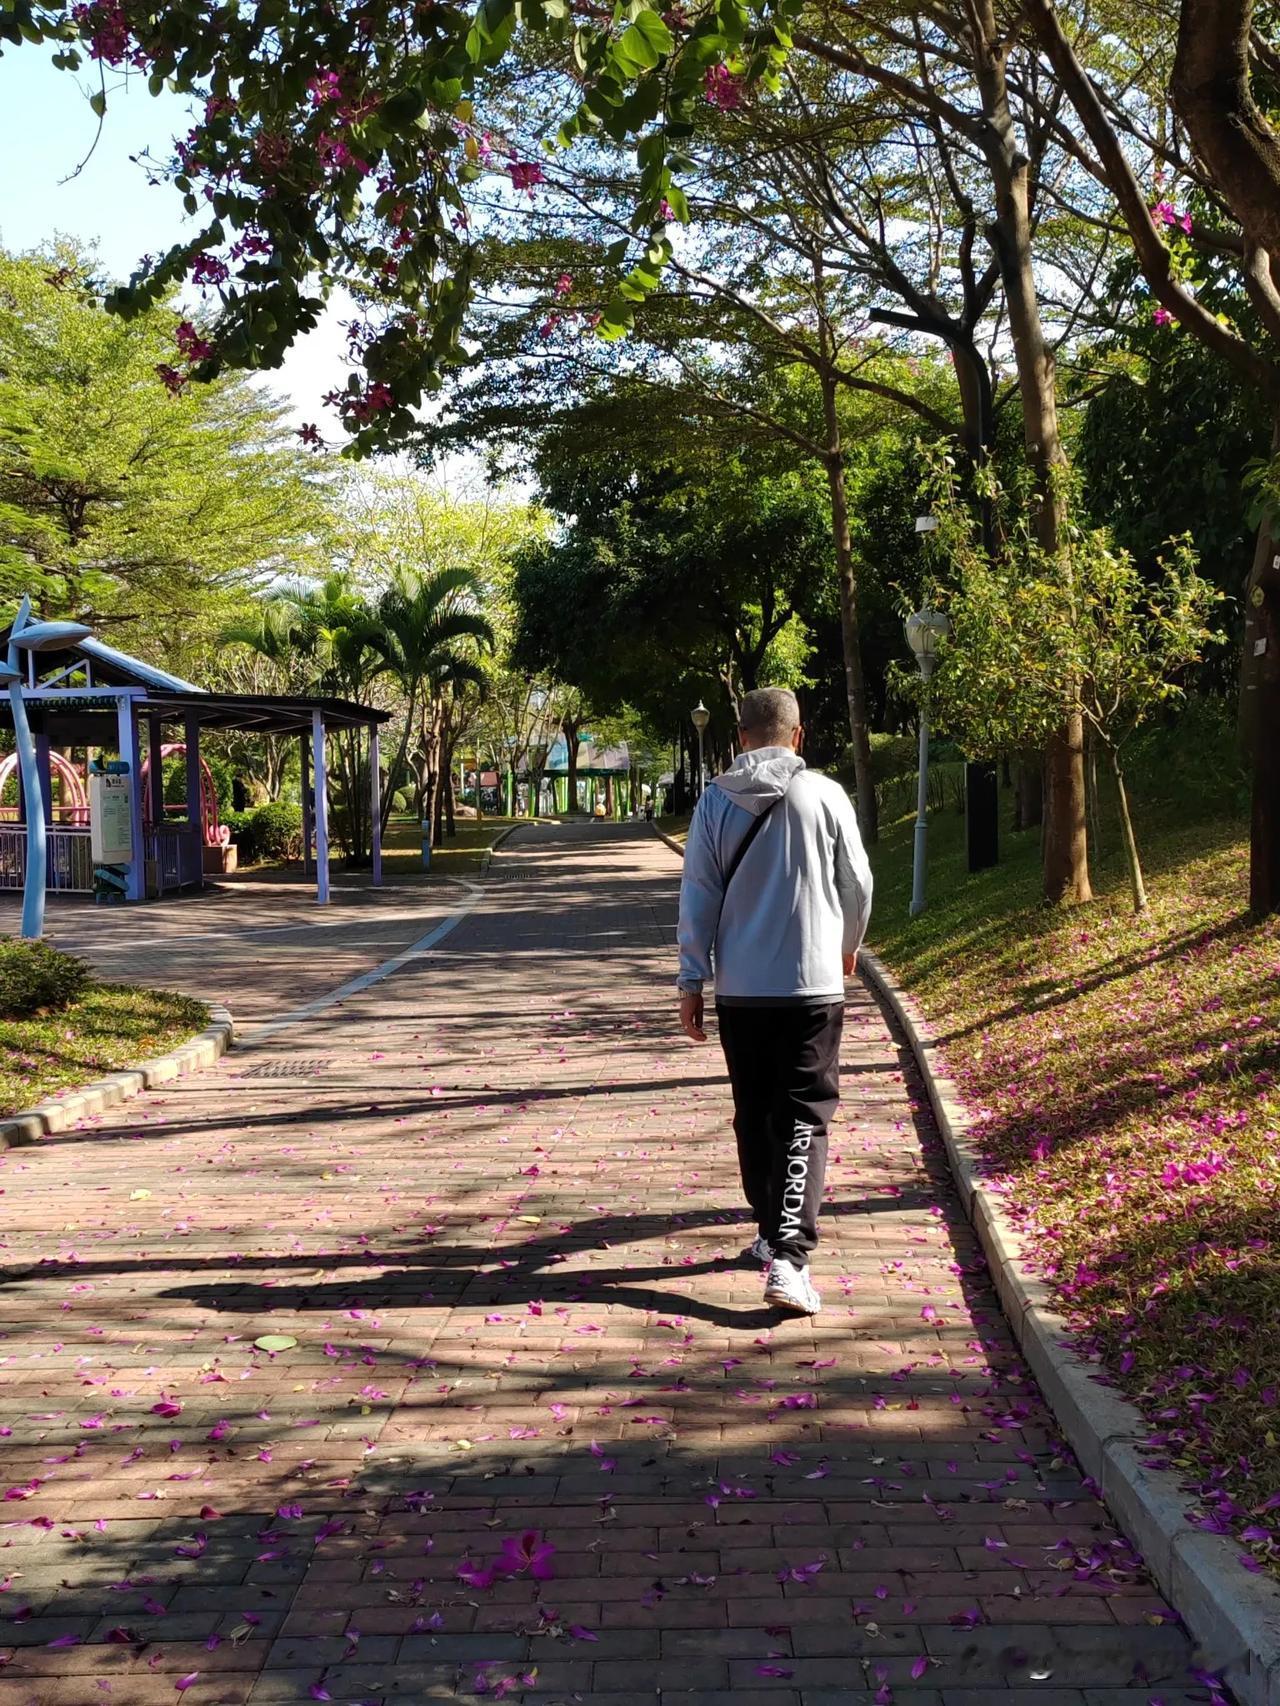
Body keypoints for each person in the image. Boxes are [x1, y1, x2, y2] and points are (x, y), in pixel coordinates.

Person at [675, 687, 872, 1315]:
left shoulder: (713, 802)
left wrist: (690, 980)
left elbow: (698, 896)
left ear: (740, 738)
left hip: (741, 990)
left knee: (755, 1111)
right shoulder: (826, 795)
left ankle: (769, 1234)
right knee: (804, 1117)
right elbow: (858, 884)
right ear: (799, 735)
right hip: (812, 985)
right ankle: (789, 1257)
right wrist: (847, 945)